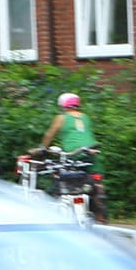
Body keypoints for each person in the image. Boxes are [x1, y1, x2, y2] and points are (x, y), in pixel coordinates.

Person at [38, 92, 108, 222]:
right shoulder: (85, 117)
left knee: (62, 178)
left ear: (63, 105)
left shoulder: (61, 117)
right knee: (96, 181)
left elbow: (49, 135)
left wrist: (42, 148)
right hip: (92, 150)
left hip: (73, 153)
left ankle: (62, 208)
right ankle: (100, 211)